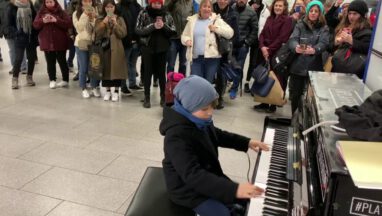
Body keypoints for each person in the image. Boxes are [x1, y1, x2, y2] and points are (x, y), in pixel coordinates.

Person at [160, 75, 269, 216]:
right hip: (187, 190)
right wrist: (235, 189)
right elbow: (193, 176)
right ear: (188, 107)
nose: (210, 112)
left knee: (247, 202)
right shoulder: (176, 136)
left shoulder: (199, 120)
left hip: (207, 176)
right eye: (205, 109)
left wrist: (246, 142)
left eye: (212, 107)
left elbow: (218, 135)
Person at [288, 0, 329, 114]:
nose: (313, 13)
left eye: (316, 11)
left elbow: (324, 43)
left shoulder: (324, 28)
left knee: (311, 97)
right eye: (311, 10)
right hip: (297, 66)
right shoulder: (300, 25)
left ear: (320, 13)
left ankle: (308, 123)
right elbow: (292, 39)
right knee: (295, 95)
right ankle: (295, 118)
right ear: (307, 12)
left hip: (314, 67)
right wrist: (295, 47)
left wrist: (315, 50)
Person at [253, 0, 293, 113]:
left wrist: (269, 49)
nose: (278, 7)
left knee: (276, 79)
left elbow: (282, 38)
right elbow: (262, 34)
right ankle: (264, 102)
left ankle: (273, 104)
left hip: (277, 53)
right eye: (276, 5)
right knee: (265, 77)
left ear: (285, 7)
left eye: (280, 5)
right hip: (265, 51)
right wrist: (262, 47)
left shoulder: (288, 20)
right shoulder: (270, 18)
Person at [136, 0, 176, 108]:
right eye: (155, 3)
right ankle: (147, 97)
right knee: (147, 73)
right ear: (150, 3)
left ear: (162, 3)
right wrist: (152, 26)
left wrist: (164, 26)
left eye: (159, 3)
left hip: (162, 48)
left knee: (161, 74)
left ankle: (163, 97)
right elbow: (138, 30)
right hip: (147, 48)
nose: (157, 5)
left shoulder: (167, 14)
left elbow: (173, 31)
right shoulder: (143, 13)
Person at [181, 0, 234, 83]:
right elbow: (184, 35)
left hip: (212, 59)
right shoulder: (192, 20)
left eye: (209, 7)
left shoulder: (216, 20)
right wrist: (186, 40)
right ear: (200, 8)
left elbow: (230, 33)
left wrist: (216, 29)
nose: (207, 9)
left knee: (208, 83)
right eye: (204, 6)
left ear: (211, 9)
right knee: (196, 82)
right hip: (196, 58)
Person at [33, 0, 72, 89]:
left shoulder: (61, 12)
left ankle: (65, 80)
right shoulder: (41, 12)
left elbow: (68, 24)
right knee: (50, 62)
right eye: (47, 2)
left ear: (55, 2)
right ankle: (52, 80)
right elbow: (35, 25)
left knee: (62, 61)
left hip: (60, 41)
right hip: (47, 41)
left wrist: (56, 20)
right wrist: (43, 21)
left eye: (51, 2)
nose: (49, 4)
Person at [95, 0, 127, 102]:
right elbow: (96, 34)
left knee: (117, 69)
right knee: (106, 70)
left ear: (114, 8)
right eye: (107, 7)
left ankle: (116, 91)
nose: (109, 9)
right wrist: (103, 23)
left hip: (117, 48)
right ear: (104, 8)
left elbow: (123, 34)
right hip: (105, 48)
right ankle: (108, 91)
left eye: (111, 7)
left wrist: (116, 24)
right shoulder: (100, 19)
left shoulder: (120, 18)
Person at [331, 0, 371, 78]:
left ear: (362, 16)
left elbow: (367, 48)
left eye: (355, 14)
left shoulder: (367, 31)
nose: (351, 16)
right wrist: (336, 42)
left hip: (353, 74)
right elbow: (330, 48)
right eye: (350, 13)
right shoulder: (344, 27)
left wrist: (351, 41)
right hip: (337, 69)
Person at [213, 0, 240, 109]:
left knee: (221, 74)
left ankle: (219, 98)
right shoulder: (210, 9)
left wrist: (229, 43)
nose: (222, 1)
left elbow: (235, 34)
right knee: (210, 73)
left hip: (223, 49)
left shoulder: (233, 14)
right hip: (210, 47)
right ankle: (207, 96)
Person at [5, 0, 38, 89]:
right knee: (18, 58)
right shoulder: (11, 6)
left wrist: (35, 32)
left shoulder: (30, 4)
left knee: (31, 58)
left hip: (30, 36)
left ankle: (29, 77)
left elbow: (35, 18)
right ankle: (15, 79)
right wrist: (16, 33)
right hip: (19, 37)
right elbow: (9, 24)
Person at [73, 0, 101, 98]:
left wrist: (94, 18)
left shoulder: (96, 11)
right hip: (81, 44)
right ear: (81, 2)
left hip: (93, 44)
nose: (87, 3)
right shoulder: (76, 14)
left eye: (89, 1)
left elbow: (97, 29)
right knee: (83, 67)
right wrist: (85, 14)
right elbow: (79, 28)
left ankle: (94, 87)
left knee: (94, 67)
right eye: (85, 1)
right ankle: (83, 88)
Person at [230, 0, 258, 99]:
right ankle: (227, 84)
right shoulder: (230, 8)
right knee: (227, 66)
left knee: (239, 68)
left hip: (242, 46)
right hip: (230, 44)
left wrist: (247, 42)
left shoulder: (251, 12)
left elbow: (254, 30)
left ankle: (234, 88)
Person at [244, 0, 270, 94]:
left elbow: (266, 27)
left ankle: (249, 83)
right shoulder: (246, 6)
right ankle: (234, 83)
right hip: (246, 38)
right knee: (240, 62)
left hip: (257, 40)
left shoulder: (265, 10)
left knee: (253, 62)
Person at [118, 0, 143, 96]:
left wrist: (139, 38)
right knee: (124, 64)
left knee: (132, 63)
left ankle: (132, 84)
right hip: (125, 40)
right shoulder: (119, 7)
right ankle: (123, 86)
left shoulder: (137, 6)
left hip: (136, 40)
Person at [165, 0, 194, 75]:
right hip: (173, 38)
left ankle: (181, 84)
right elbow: (165, 9)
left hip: (185, 39)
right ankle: (169, 84)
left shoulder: (191, 3)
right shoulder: (172, 1)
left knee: (183, 65)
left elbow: (194, 19)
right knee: (171, 64)